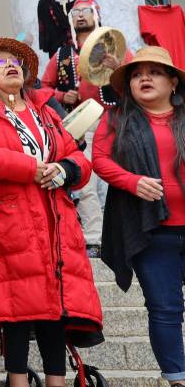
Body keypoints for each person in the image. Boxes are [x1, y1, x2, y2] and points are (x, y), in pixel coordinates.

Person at [0, 37, 103, 387]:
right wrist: (28, 168)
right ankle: (16, 382)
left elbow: (77, 157)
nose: (12, 64)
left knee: (54, 310)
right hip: (7, 224)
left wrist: (65, 170)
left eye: (16, 60)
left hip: (54, 224)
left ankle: (57, 382)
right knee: (16, 309)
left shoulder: (44, 112)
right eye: (0, 60)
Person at [93, 46, 185, 385]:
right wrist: (132, 182)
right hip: (150, 230)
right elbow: (99, 160)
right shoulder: (116, 117)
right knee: (164, 309)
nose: (144, 77)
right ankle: (178, 377)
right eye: (136, 74)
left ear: (173, 83)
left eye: (154, 72)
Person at [41, 0, 133, 256]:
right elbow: (42, 87)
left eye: (85, 10)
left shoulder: (116, 48)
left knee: (124, 178)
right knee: (85, 181)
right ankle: (94, 238)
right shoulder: (63, 55)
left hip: (118, 120)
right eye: (75, 12)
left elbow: (139, 79)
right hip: (83, 125)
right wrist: (61, 96)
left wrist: (119, 68)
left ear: (96, 14)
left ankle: (128, 234)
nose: (80, 15)